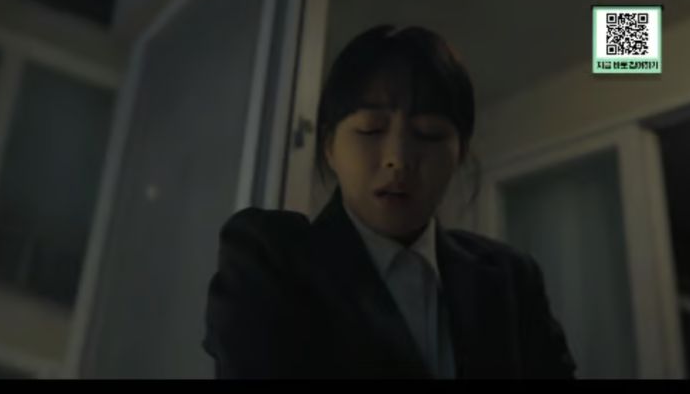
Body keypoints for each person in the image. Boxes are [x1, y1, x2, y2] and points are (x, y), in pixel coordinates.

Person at [203, 24, 576, 379]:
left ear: (460, 153)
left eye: (428, 134)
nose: (398, 159)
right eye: (371, 129)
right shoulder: (271, 259)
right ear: (330, 147)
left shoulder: (512, 278)